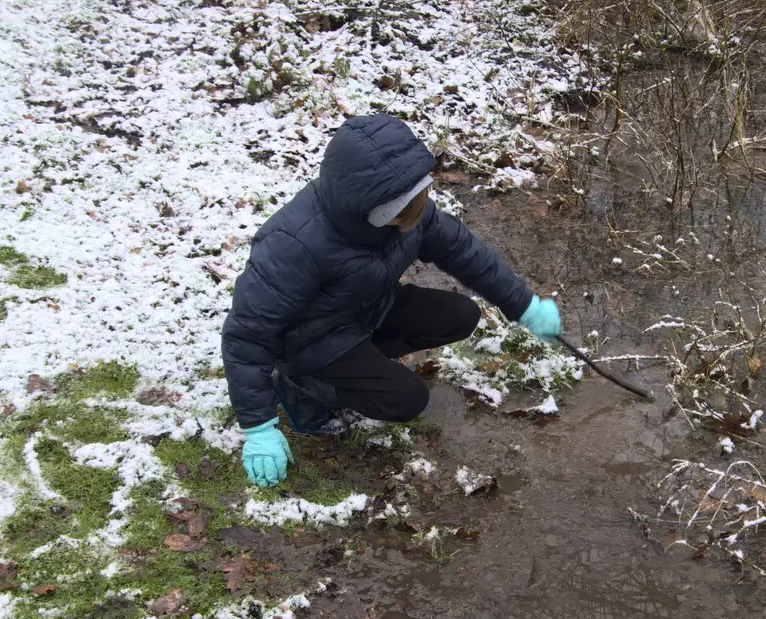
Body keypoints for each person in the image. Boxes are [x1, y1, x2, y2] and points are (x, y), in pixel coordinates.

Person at [221, 114, 562, 487]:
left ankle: (360, 366)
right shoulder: (294, 243)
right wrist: (258, 426)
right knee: (406, 400)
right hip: (309, 341)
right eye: (401, 215)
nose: (411, 221)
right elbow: (246, 335)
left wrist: (523, 305)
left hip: (365, 309)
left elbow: (463, 252)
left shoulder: (406, 210)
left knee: (460, 315)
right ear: (373, 207)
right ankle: (302, 384)